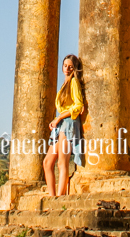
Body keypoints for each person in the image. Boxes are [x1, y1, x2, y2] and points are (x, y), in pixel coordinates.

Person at [43, 54, 85, 196]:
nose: (67, 69)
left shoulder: (73, 82)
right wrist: (56, 120)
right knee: (47, 163)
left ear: (75, 69)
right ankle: (52, 197)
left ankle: (59, 198)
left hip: (69, 124)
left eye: (70, 67)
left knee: (62, 163)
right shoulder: (64, 85)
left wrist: (59, 118)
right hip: (61, 124)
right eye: (65, 66)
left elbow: (78, 105)